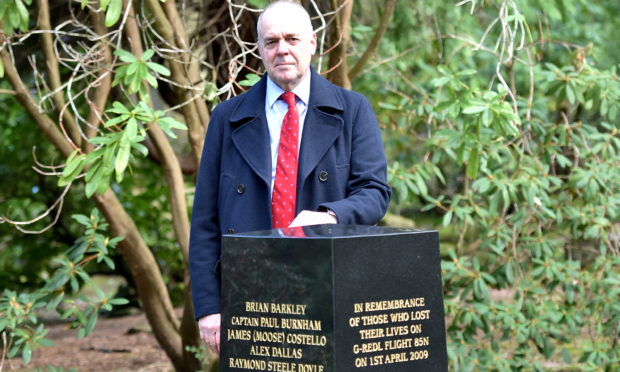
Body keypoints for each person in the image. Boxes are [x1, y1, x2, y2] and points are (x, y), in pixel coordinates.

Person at [188, 0, 391, 354]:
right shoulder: (226, 117)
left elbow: (375, 192)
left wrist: (330, 216)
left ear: (312, 43)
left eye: (292, 39)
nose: (282, 49)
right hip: (248, 286)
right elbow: (205, 219)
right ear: (260, 49)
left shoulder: (353, 109)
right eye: (271, 41)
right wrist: (209, 307)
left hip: (325, 279)